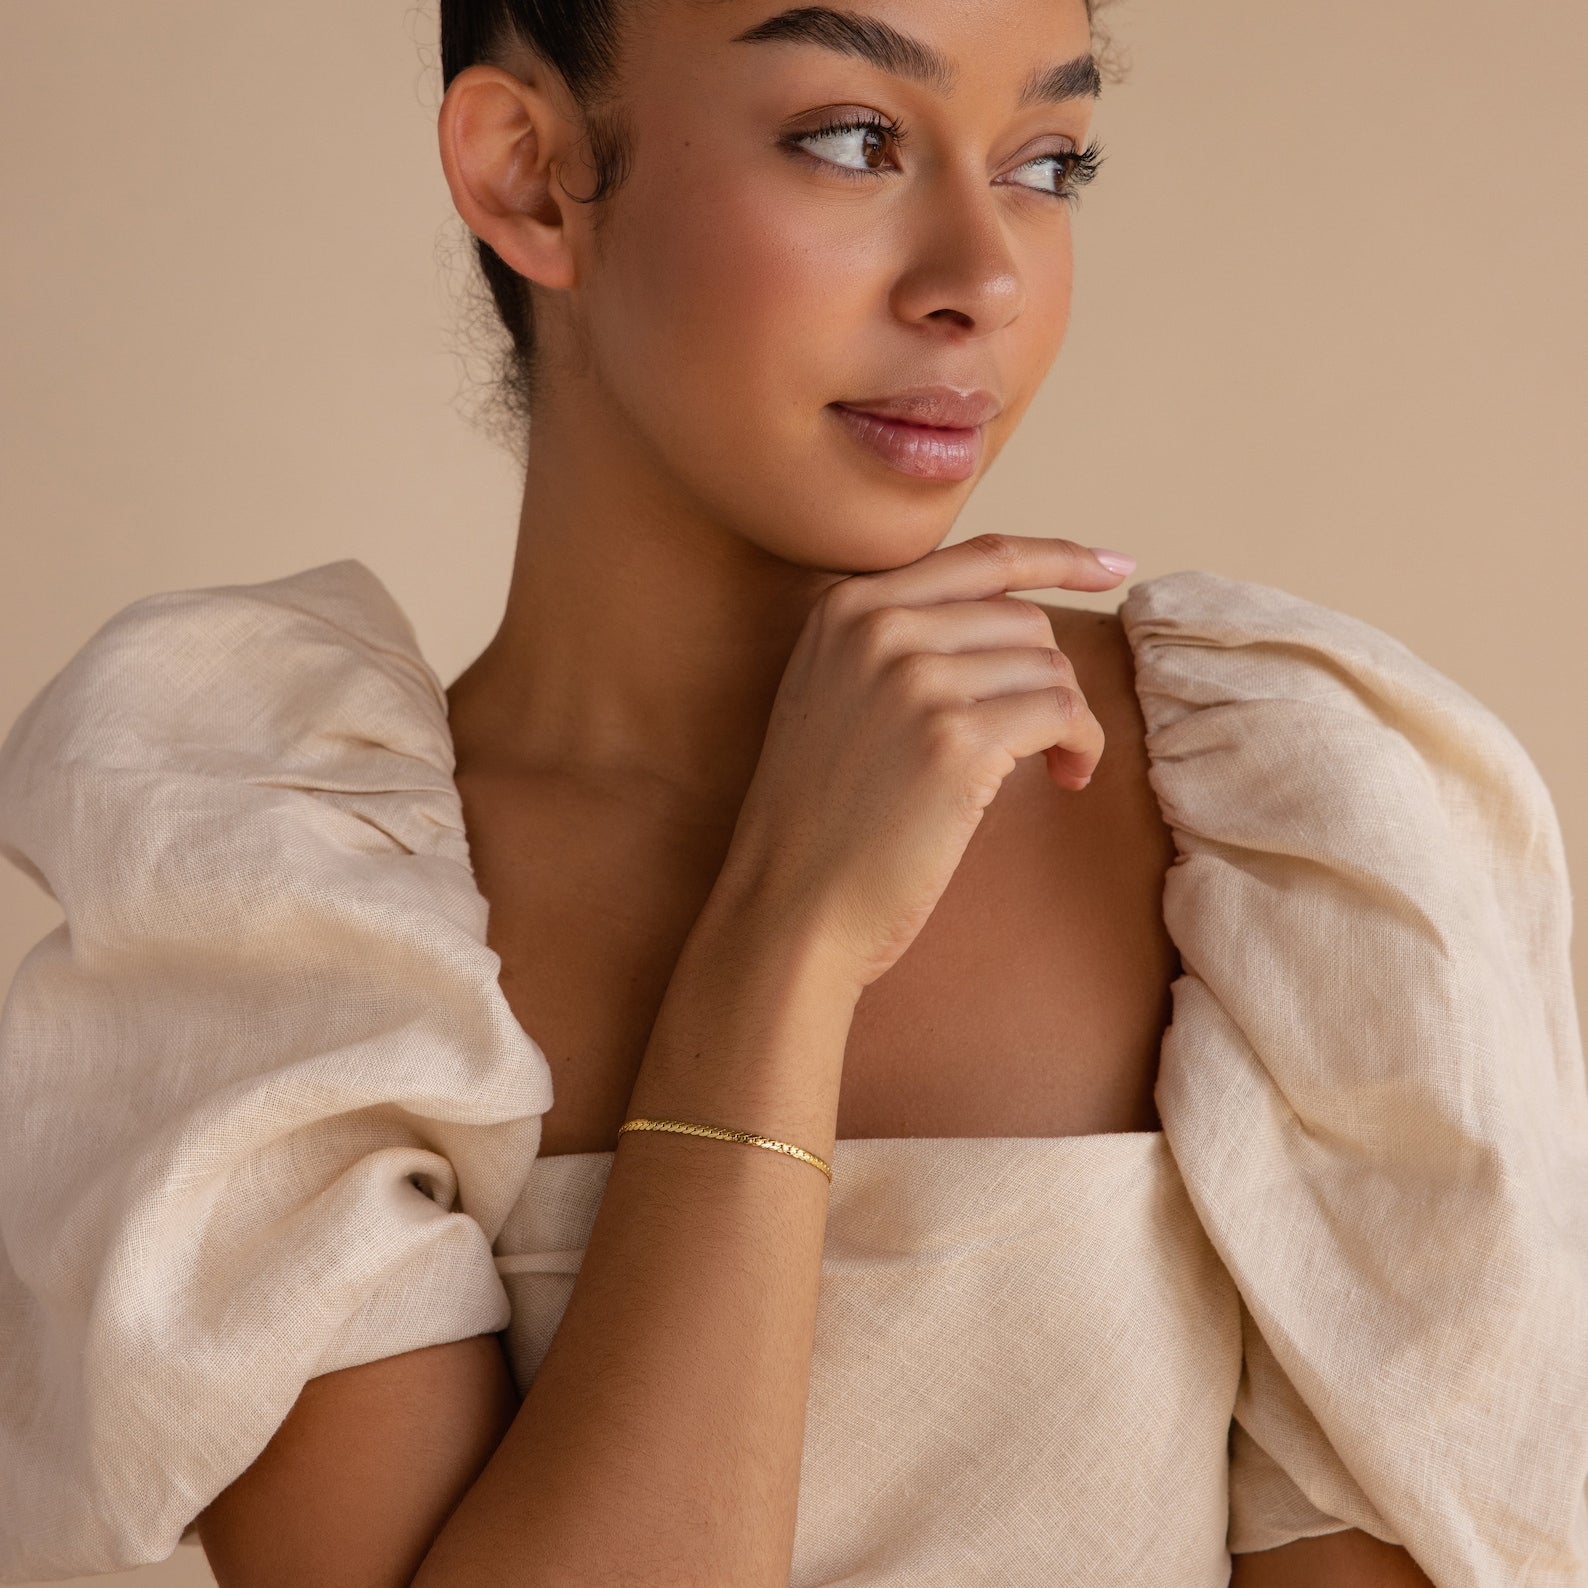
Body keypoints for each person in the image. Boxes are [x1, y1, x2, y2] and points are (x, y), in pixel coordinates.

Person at [0, 1, 1583, 1584]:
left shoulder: (1284, 831)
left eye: (1049, 160)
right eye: (853, 140)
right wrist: (783, 952)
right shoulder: (271, 908)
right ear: (532, 176)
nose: (985, 278)